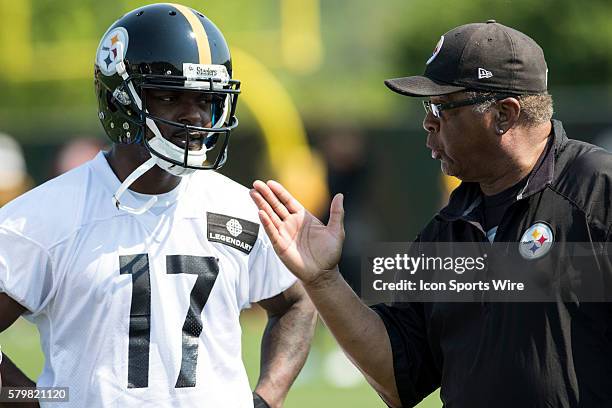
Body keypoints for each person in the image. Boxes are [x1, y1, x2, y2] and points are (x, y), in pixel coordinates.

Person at [250, 20, 612, 407]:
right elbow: (397, 378)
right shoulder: (447, 229)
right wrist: (323, 279)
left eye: (442, 106)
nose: (428, 121)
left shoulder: (597, 191)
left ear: (504, 114)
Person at [0, 4, 315, 408]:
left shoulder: (239, 207)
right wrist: (40, 401)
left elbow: (296, 303)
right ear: (121, 102)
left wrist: (267, 398)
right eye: (171, 97)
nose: (196, 116)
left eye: (206, 99)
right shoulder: (44, 217)